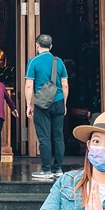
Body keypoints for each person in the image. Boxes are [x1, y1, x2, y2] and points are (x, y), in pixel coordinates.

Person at [25, 33, 69, 180]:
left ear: (37, 45)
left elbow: (29, 85)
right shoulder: (59, 62)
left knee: (44, 137)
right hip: (58, 101)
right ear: (51, 46)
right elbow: (65, 85)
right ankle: (58, 168)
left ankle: (46, 169)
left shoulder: (33, 62)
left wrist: (28, 105)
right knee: (58, 136)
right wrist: (64, 103)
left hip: (42, 103)